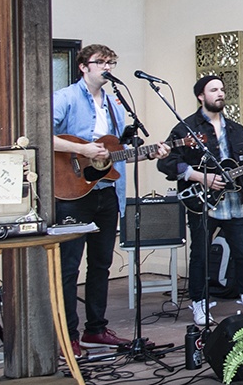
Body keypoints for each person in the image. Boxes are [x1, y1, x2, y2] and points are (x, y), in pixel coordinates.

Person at [52, 45, 168, 354]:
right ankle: (67, 336)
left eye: (111, 62)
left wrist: (148, 152)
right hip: (73, 193)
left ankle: (96, 329)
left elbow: (113, 157)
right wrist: (83, 151)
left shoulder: (117, 105)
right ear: (83, 67)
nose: (107, 66)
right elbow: (39, 135)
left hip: (106, 193)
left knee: (101, 264)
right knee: (68, 267)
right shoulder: (65, 98)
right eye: (100, 62)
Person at [159, 75, 243, 326]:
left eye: (222, 89)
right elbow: (165, 162)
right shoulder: (186, 128)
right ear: (201, 96)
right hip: (201, 200)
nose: (220, 93)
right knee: (200, 253)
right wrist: (200, 177)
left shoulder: (235, 129)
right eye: (214, 89)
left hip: (234, 200)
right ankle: (199, 301)